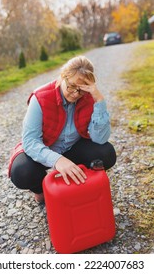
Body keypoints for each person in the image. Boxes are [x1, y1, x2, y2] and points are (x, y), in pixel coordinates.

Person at [8, 55, 116, 203]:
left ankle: (75, 183)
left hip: (72, 148)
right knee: (22, 173)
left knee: (106, 153)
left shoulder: (88, 97)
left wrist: (99, 101)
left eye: (81, 90)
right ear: (62, 76)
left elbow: (100, 138)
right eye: (71, 86)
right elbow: (30, 141)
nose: (76, 94)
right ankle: (41, 189)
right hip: (45, 148)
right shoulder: (40, 97)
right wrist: (57, 160)